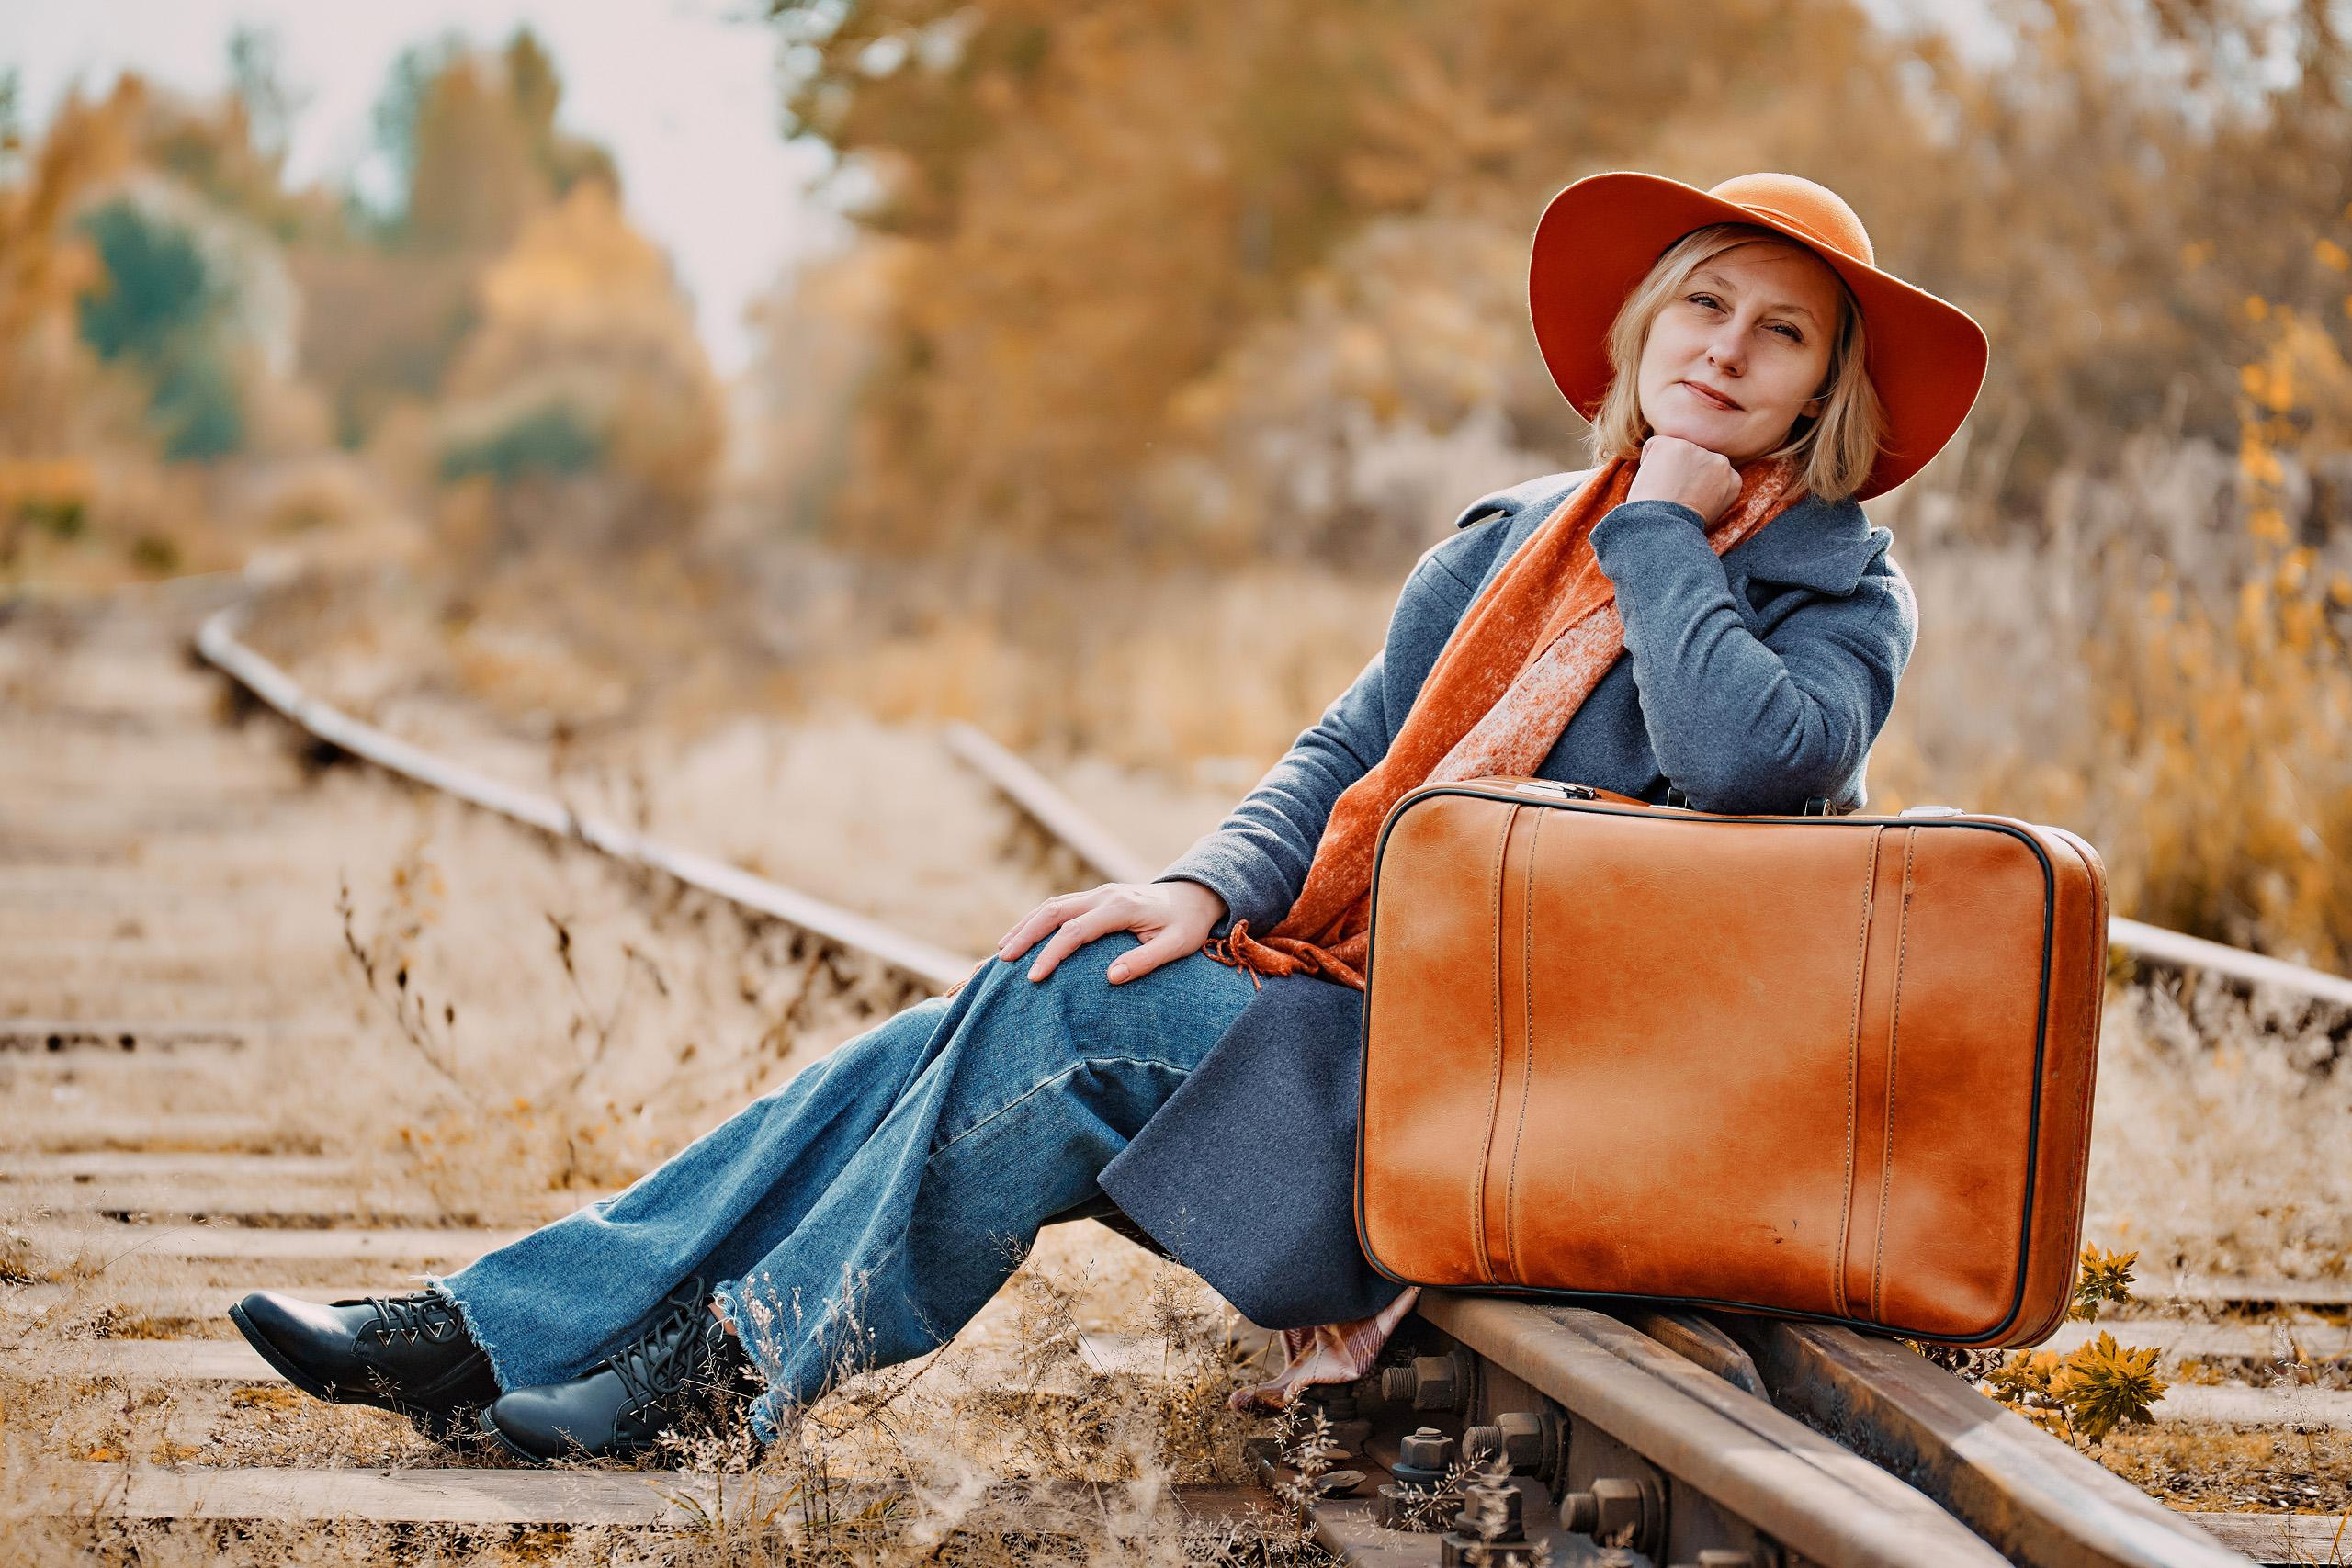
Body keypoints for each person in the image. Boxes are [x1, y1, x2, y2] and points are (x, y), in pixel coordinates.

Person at [227, 170, 1988, 1461]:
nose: (1729, 351)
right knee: (1004, 1001)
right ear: (1641, 327)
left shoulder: (1836, 590)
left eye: (1782, 335)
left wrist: (1668, 530)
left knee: (1052, 1017)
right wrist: (1201, 884)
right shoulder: (1517, 533)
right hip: (1389, 1036)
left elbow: (1756, 763)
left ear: (1824, 390)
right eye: (1704, 307)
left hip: (1550, 1108)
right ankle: (504, 1333)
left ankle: (671, 1371)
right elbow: (1347, 749)